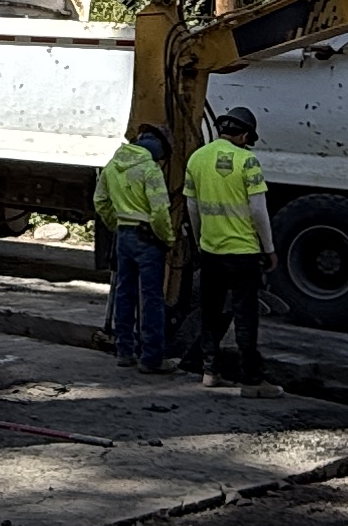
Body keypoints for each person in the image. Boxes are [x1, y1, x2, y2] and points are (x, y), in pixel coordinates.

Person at [179, 105, 280, 393]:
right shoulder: (248, 161)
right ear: (244, 136)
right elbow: (258, 211)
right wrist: (268, 248)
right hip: (243, 253)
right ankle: (252, 380)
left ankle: (210, 371)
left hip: (211, 251)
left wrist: (200, 241)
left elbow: (192, 207)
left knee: (210, 312)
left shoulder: (197, 158)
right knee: (245, 315)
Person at [95, 121, 176, 373]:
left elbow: (100, 201)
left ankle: (124, 351)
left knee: (124, 292)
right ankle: (151, 358)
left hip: (123, 236)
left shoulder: (113, 165)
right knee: (151, 298)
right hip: (148, 238)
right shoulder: (150, 170)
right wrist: (168, 239)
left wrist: (116, 224)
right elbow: (160, 211)